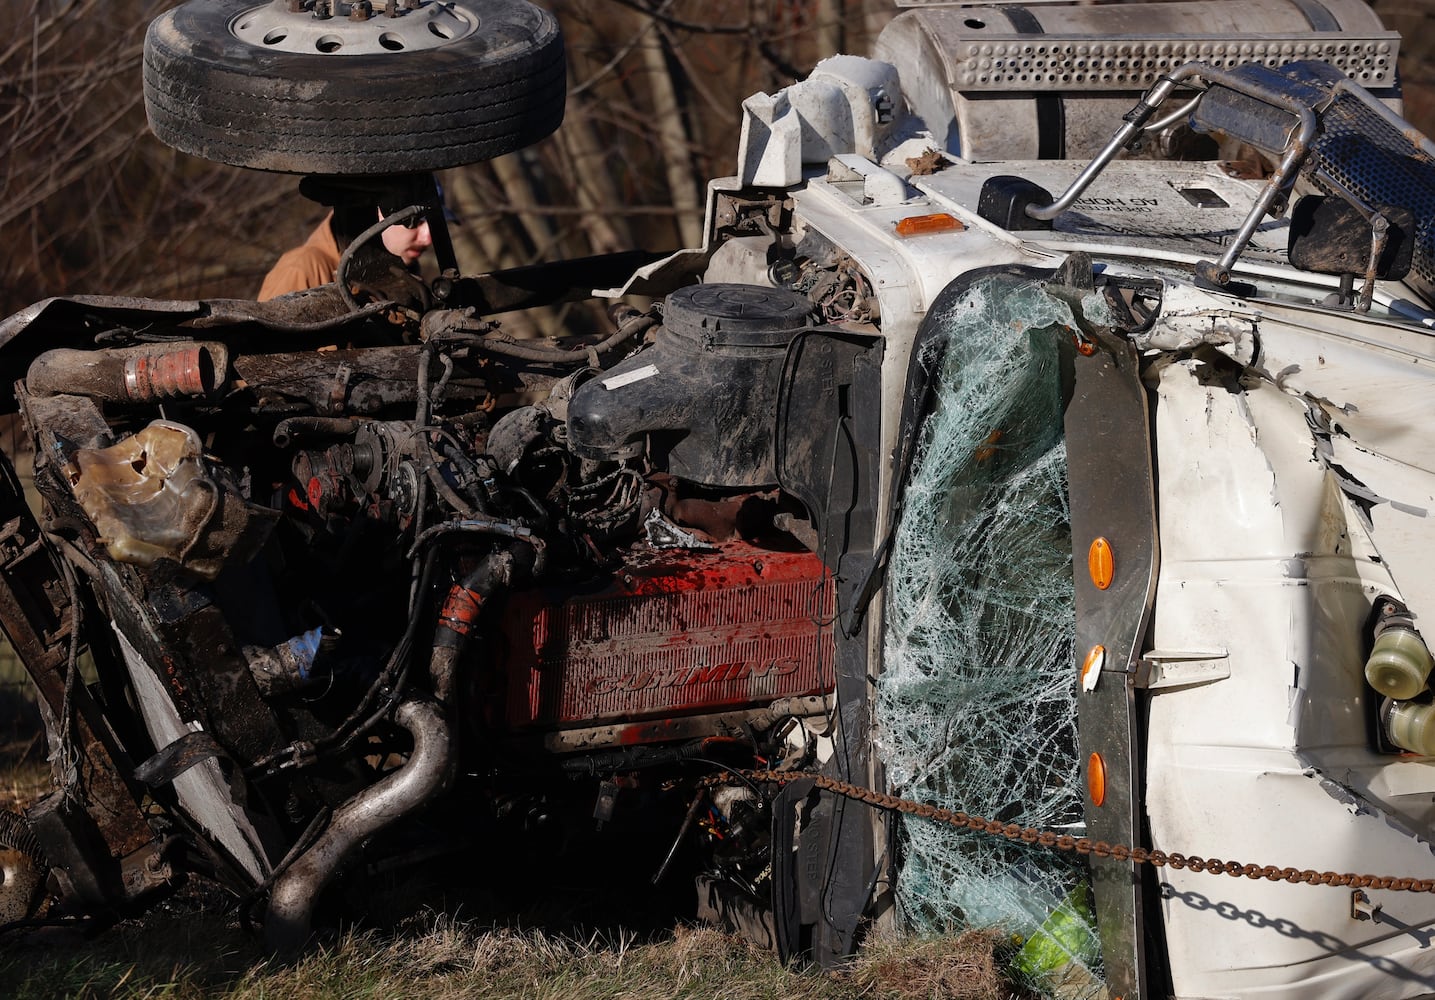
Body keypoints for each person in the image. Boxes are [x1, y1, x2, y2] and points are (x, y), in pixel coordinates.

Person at [258, 202, 433, 301]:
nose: (428, 238)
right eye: (414, 222)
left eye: (433, 224)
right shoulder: (300, 270)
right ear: (377, 215)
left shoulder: (410, 277)